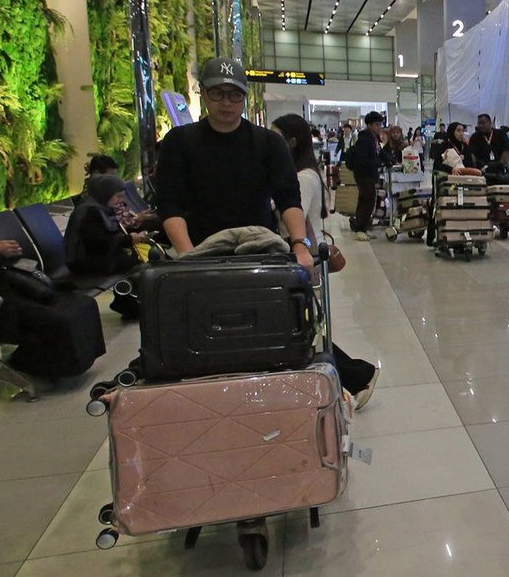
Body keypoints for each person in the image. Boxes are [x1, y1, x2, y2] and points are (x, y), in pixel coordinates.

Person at [154, 58, 315, 271]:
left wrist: (300, 246)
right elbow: (169, 203)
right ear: (203, 92)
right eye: (217, 93)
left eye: (235, 94)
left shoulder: (269, 143)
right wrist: (188, 256)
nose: (226, 102)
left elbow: (289, 198)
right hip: (199, 251)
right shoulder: (179, 141)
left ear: (245, 96)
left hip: (260, 252)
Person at [271, 114, 380, 408]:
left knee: (305, 330)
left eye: (276, 137)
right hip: (302, 258)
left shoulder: (303, 177)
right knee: (305, 328)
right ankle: (356, 375)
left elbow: (292, 214)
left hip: (302, 260)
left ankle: (358, 376)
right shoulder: (302, 173)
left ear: (291, 143)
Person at [0, 206, 106, 381]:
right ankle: (25, 364)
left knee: (83, 303)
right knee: (57, 320)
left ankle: (58, 365)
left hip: (0, 295)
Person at [63, 174, 148, 318]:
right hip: (84, 261)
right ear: (106, 194)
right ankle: (127, 302)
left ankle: (128, 300)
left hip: (93, 256)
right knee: (136, 265)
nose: (120, 201)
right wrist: (128, 240)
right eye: (118, 197)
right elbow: (96, 241)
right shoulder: (90, 212)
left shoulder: (97, 207)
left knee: (134, 261)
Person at [346, 111, 385, 240]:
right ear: (369, 125)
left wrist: (389, 160)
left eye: (380, 124)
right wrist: (377, 163)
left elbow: (380, 153)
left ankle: (363, 227)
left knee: (365, 200)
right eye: (376, 124)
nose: (379, 127)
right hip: (363, 174)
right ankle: (360, 228)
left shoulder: (374, 138)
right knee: (368, 199)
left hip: (368, 174)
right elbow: (363, 160)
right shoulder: (364, 139)